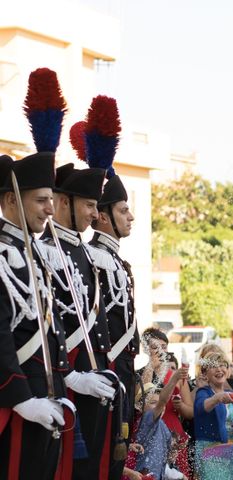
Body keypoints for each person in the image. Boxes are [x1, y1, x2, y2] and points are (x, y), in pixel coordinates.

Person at [75, 98, 141, 480]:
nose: (130, 215)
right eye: (122, 210)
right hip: (102, 373)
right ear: (100, 215)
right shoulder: (92, 260)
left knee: (114, 465)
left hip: (121, 377)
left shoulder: (117, 262)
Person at [40, 159, 118, 479]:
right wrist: (70, 376)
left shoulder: (88, 254)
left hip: (95, 375)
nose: (93, 214)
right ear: (63, 202)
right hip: (67, 376)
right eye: (88, 205)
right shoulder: (45, 250)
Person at [0, 152, 73, 479]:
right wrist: (21, 399)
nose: (50, 209)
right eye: (42, 200)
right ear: (10, 201)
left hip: (46, 401)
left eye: (53, 200)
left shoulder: (35, 258)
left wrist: (66, 380)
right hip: (15, 406)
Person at [193, 351, 233, 480]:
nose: (219, 369)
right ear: (205, 374)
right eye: (214, 366)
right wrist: (217, 398)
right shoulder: (204, 392)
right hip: (209, 450)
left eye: (223, 365)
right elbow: (200, 407)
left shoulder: (231, 393)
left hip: (231, 448)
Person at [134, 367, 188, 479]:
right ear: (140, 406)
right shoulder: (146, 419)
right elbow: (163, 401)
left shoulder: (161, 424)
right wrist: (174, 379)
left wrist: (173, 450)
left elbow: (163, 456)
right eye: (153, 403)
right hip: (144, 475)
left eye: (158, 402)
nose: (160, 407)